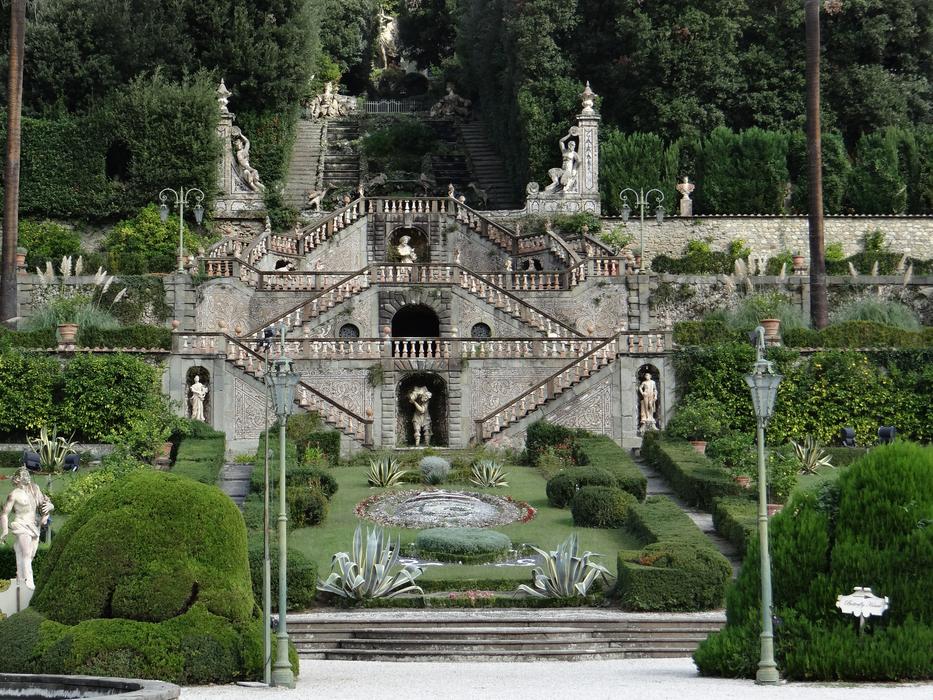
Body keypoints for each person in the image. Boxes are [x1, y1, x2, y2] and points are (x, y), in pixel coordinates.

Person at [1, 467, 54, 589]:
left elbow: (44, 505)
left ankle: (20, 577)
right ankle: (29, 581)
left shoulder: (35, 489)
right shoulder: (13, 495)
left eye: (27, 474)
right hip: (20, 525)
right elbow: (4, 513)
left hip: (34, 526)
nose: (27, 476)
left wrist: (51, 506)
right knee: (26, 553)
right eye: (24, 475)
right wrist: (4, 530)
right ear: (18, 479)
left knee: (31, 554)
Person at [545, 129, 580, 193]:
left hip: (568, 171)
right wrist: (569, 135)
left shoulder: (574, 154)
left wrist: (574, 169)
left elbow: (579, 161)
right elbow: (561, 141)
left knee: (563, 181)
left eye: (574, 145)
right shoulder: (564, 151)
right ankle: (555, 183)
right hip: (562, 170)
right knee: (551, 171)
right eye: (571, 145)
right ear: (569, 145)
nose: (572, 146)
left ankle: (562, 188)